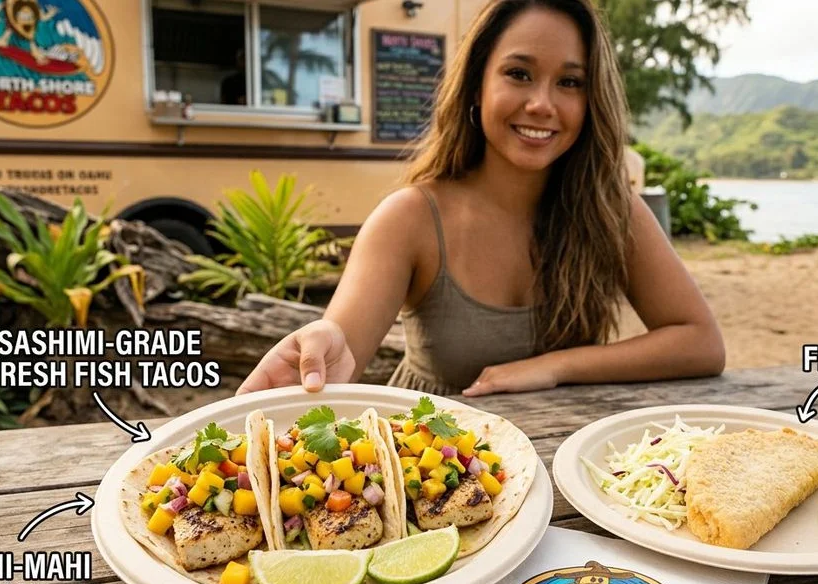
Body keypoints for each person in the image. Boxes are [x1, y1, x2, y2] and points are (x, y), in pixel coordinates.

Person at [237, 0, 725, 398]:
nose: (542, 104)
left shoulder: (611, 209)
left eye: (569, 82)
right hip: (434, 465)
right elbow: (342, 345)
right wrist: (324, 343)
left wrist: (554, 366)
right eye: (519, 73)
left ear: (591, 99)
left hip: (566, 454)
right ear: (476, 86)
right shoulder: (410, 217)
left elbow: (701, 342)